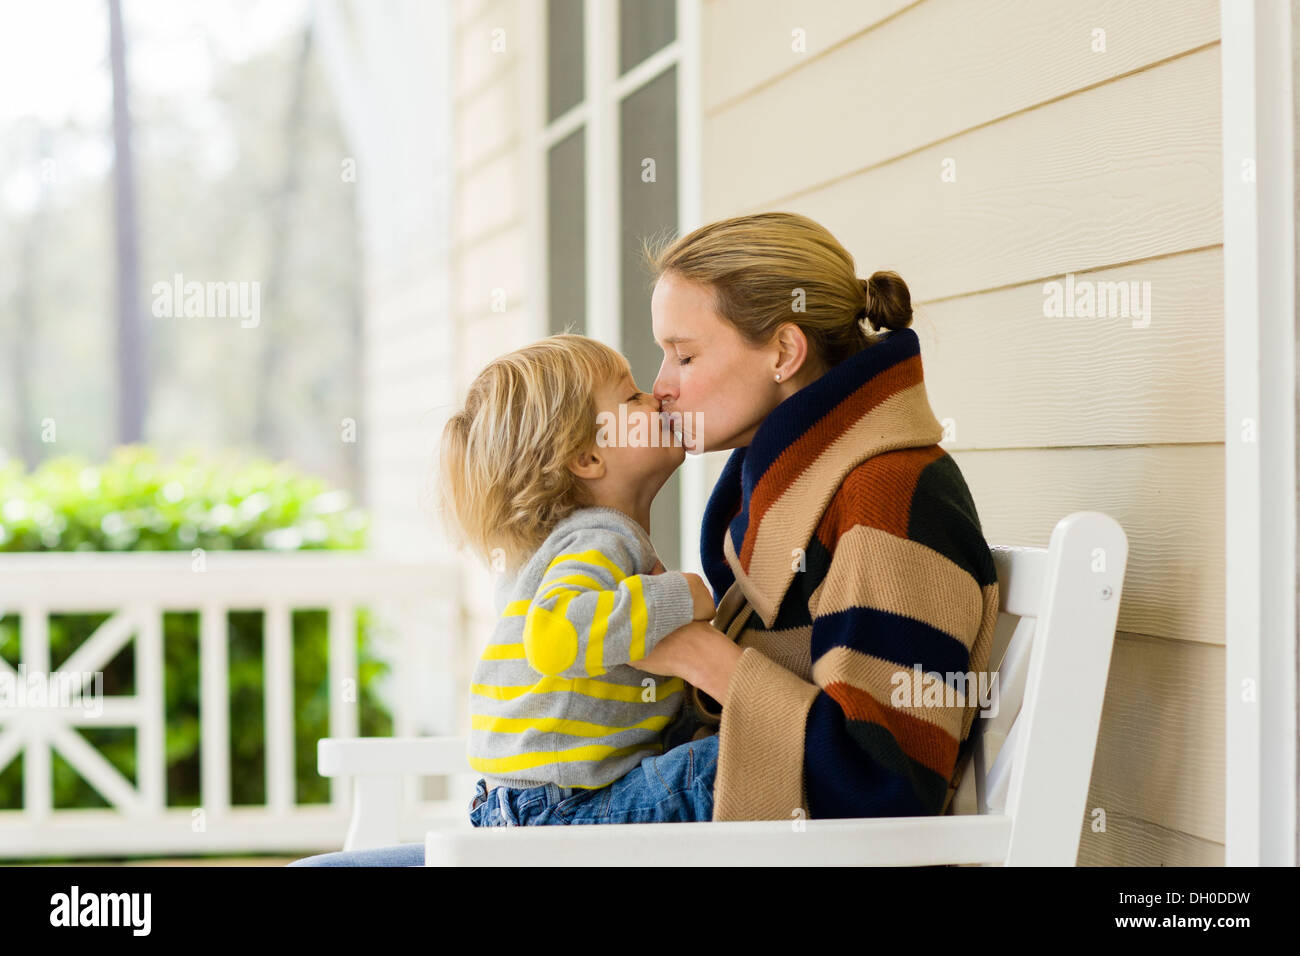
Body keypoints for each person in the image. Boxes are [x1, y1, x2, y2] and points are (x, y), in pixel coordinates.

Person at [288, 210, 998, 865]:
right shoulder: (791, 486)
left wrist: (704, 657)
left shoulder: (885, 494)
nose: (661, 389)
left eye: (683, 356)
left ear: (784, 350)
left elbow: (887, 788)